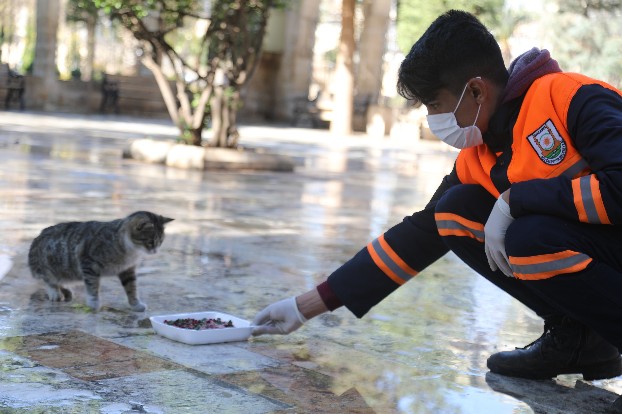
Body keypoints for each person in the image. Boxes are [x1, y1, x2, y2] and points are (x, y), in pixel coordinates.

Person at [252, 9, 622, 381]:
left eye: (435, 105)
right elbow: (420, 233)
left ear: (476, 90)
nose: (432, 119)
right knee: (454, 211)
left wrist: (516, 200)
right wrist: (307, 306)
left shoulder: (570, 97)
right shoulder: (479, 155)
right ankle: (579, 339)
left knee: (529, 239)